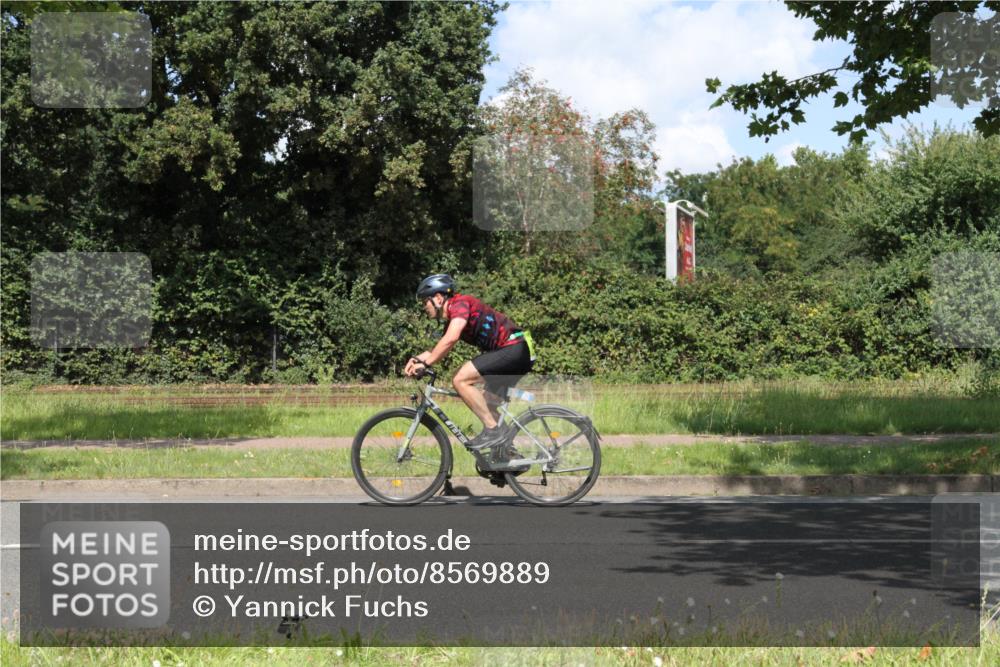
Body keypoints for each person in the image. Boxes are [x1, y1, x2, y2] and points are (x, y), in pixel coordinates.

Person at [404, 273, 536, 451]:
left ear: (438, 297)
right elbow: (439, 347)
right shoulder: (454, 316)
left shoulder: (460, 304)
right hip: (516, 351)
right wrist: (417, 359)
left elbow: (450, 339)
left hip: (513, 348)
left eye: (425, 302)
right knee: (488, 404)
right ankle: (507, 456)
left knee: (460, 379)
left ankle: (492, 431)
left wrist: (426, 364)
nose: (424, 307)